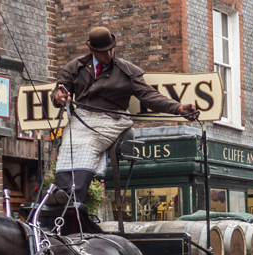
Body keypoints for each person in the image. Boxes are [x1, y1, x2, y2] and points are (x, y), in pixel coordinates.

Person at [50, 26, 199, 203]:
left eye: (111, 49)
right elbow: (59, 90)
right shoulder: (75, 67)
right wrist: (58, 97)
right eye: (104, 51)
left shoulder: (126, 70)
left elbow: (149, 95)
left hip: (112, 119)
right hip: (81, 119)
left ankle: (74, 199)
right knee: (68, 144)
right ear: (92, 50)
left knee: (88, 146)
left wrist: (179, 108)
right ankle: (60, 197)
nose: (109, 54)